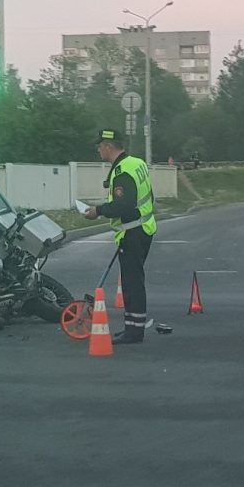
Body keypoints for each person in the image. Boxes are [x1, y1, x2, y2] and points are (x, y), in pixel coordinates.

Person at [84, 128, 157, 344]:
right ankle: (133, 328)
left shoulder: (122, 171)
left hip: (133, 231)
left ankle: (134, 332)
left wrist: (98, 211)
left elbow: (124, 204)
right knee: (133, 280)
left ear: (109, 147)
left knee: (132, 282)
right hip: (143, 227)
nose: (98, 150)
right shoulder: (137, 163)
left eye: (100, 146)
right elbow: (149, 196)